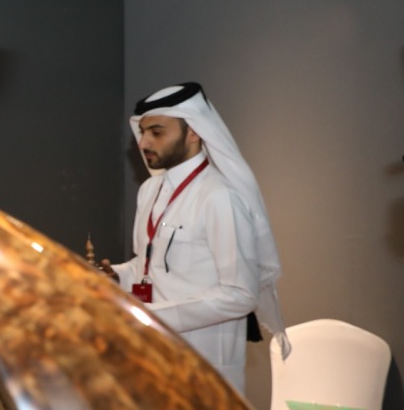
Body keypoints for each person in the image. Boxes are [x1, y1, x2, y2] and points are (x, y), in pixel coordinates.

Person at [99, 82, 288, 393]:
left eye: (157, 132)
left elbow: (240, 294)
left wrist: (151, 316)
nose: (143, 141)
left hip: (204, 361)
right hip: (152, 351)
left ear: (194, 132)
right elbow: (148, 264)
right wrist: (116, 276)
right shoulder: (150, 190)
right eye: (143, 131)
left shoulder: (220, 197)